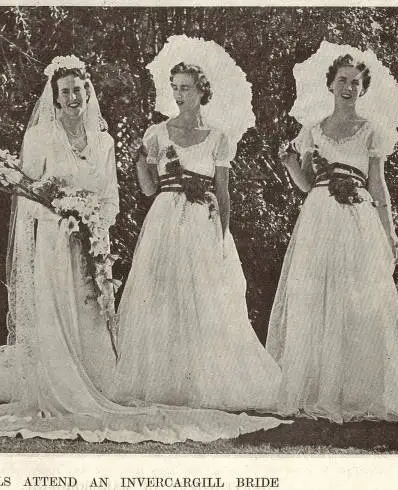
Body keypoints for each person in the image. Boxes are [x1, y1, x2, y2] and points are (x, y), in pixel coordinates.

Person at [0, 56, 289, 444]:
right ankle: (59, 386)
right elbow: (28, 194)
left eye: (78, 91)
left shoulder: (103, 142)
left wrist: (95, 222)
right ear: (55, 98)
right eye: (65, 92)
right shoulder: (39, 137)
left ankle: (96, 383)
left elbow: (110, 195)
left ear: (88, 95)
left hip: (89, 239)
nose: (73, 98)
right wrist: (63, 213)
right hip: (55, 237)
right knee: (57, 312)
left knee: (89, 311)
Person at [110, 62, 281, 411]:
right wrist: (140, 162)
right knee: (162, 297)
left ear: (202, 91)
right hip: (164, 220)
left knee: (205, 300)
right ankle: (163, 380)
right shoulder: (156, 133)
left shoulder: (218, 137)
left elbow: (223, 191)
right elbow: (147, 190)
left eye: (186, 87)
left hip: (203, 222)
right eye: (174, 87)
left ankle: (203, 380)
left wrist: (221, 237)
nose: (179, 94)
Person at [267, 54, 398, 423]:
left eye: (355, 82)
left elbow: (377, 184)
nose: (348, 87)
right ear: (330, 84)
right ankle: (317, 389)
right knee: (316, 297)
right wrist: (288, 162)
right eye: (343, 80)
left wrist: (390, 234)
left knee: (357, 299)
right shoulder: (312, 131)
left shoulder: (371, 130)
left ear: (363, 89)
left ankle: (356, 390)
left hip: (356, 217)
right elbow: (307, 185)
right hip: (319, 216)